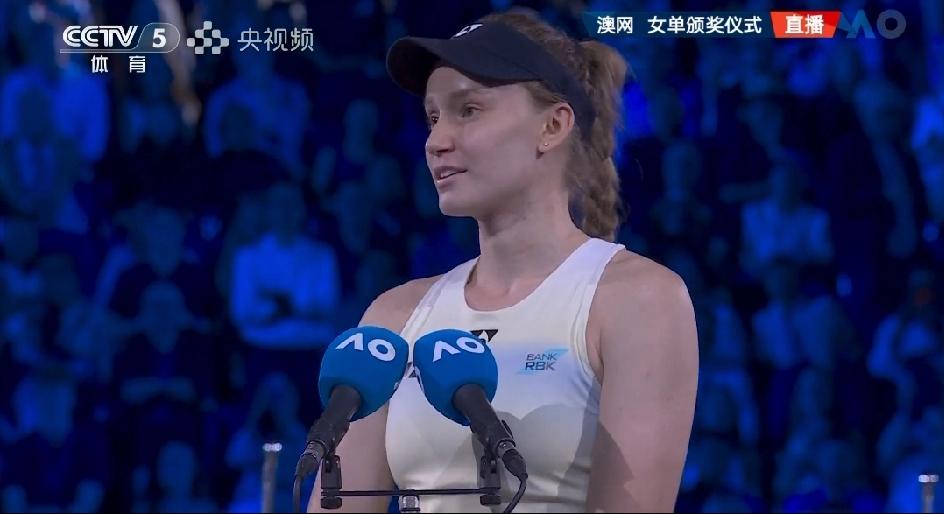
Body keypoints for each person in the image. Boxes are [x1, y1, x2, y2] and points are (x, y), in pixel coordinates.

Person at [309, 9, 698, 513]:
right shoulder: (394, 318)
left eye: (468, 110)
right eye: (433, 117)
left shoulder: (638, 301)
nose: (436, 141)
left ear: (552, 126)